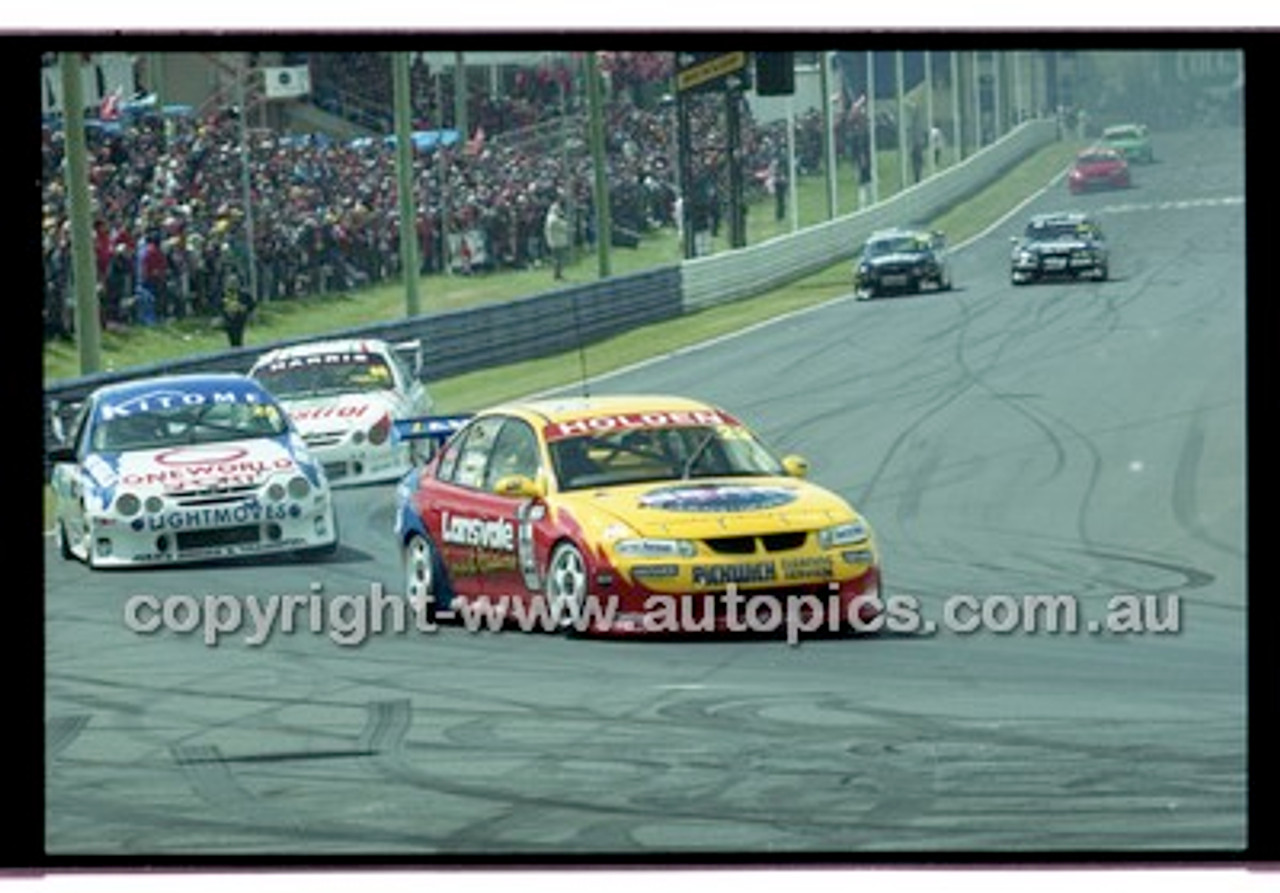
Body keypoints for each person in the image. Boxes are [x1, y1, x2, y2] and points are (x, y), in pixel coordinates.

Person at [220, 271, 255, 348]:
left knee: (239, 338)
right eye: (230, 282)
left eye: (235, 282)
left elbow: (251, 305)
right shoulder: (223, 294)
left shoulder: (244, 294)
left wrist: (245, 309)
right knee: (231, 339)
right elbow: (218, 306)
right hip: (228, 321)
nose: (232, 284)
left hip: (240, 319)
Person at [543, 199, 570, 280]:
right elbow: (564, 227)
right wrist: (565, 221)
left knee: (557, 259)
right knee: (559, 259)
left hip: (554, 241)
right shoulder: (554, 219)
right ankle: (557, 274)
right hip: (557, 242)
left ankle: (558, 274)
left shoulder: (550, 217)